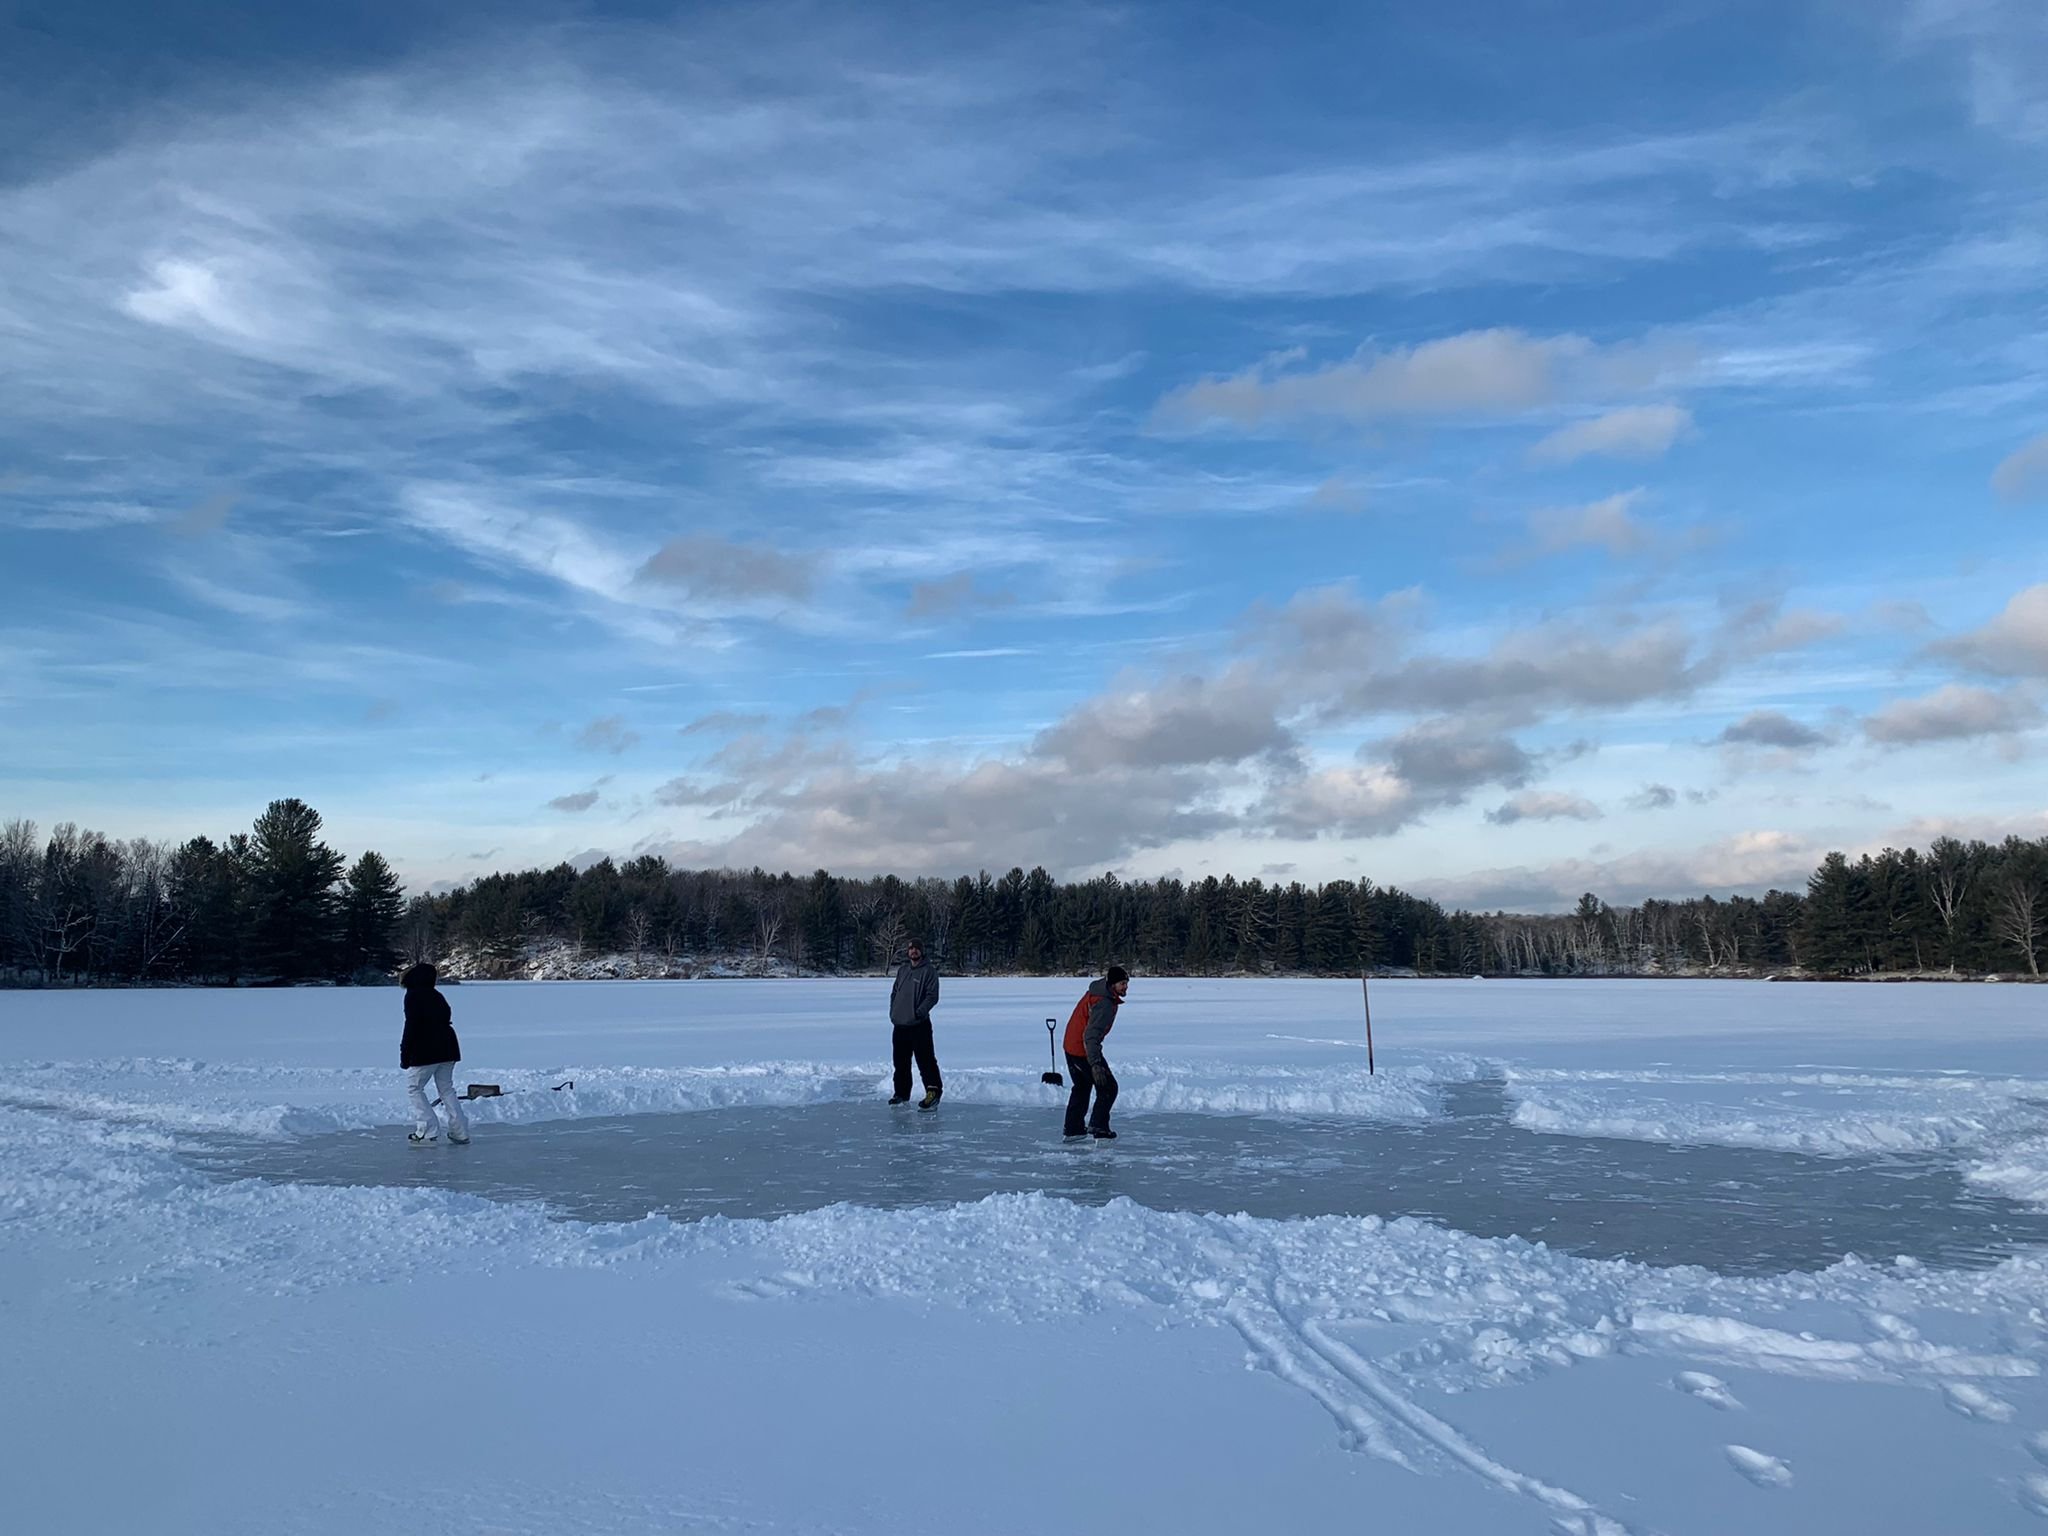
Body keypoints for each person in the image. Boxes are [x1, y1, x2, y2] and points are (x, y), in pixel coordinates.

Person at [400, 961, 469, 1145]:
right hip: (448, 1047)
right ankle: (460, 1131)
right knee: (446, 1089)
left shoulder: (413, 995)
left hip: (426, 1049)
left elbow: (411, 1025)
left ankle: (427, 1130)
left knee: (414, 1087)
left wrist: (405, 1053)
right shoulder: (437, 995)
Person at [1062, 966, 1129, 1140]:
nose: (1126, 987)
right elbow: (1091, 1036)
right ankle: (1099, 1127)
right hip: (1082, 1049)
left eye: (1127, 983)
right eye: (1122, 984)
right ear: (1113, 984)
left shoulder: (1099, 993)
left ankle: (1073, 1129)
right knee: (1108, 1087)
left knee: (1082, 1087)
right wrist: (1096, 1064)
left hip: (1071, 1046)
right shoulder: (1104, 1003)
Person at [888, 938, 943, 1109]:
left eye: (917, 949)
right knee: (900, 1062)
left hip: (919, 1025)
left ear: (922, 951)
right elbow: (894, 992)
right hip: (900, 1025)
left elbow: (932, 996)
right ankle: (901, 1094)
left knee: (925, 1061)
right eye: (911, 948)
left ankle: (933, 1092)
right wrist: (894, 1012)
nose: (913, 951)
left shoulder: (929, 971)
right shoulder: (903, 970)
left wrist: (918, 1013)